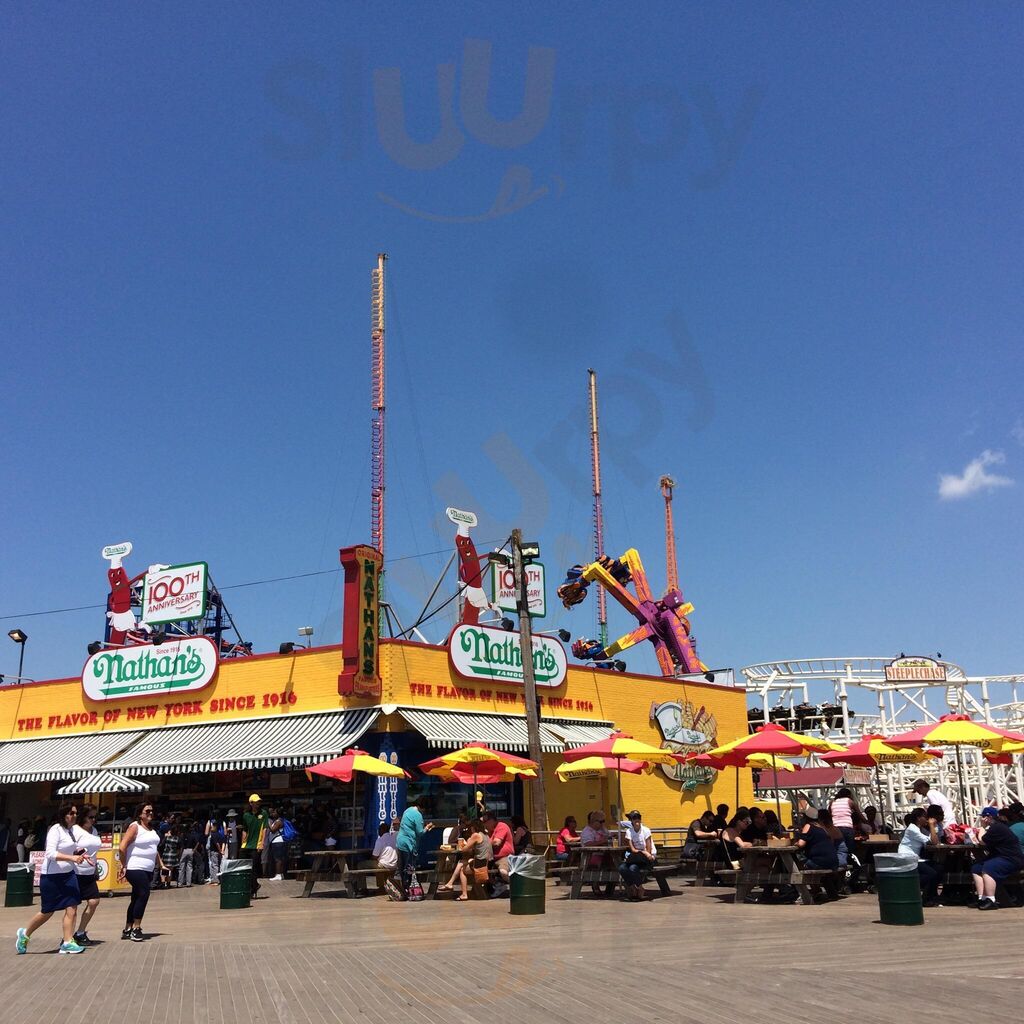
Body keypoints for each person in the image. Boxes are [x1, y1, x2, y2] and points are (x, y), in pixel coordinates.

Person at [15, 803, 87, 955]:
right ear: (63, 815)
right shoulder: (55, 829)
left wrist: (79, 853)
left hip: (69, 875)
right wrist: (72, 858)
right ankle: (25, 933)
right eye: (71, 813)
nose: (74, 816)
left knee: (72, 907)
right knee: (47, 911)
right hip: (52, 877)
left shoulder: (72, 831)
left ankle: (67, 942)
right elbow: (50, 854)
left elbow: (69, 848)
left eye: (75, 813)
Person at [118, 801, 168, 941]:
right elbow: (122, 847)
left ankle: (127, 928)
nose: (151, 813)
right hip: (135, 867)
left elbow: (154, 849)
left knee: (136, 897)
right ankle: (136, 928)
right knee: (144, 893)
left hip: (148, 868)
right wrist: (124, 865)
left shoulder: (151, 830)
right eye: (147, 811)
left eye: (152, 811)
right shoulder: (135, 827)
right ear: (140, 814)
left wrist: (161, 864)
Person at [972, 806, 1024, 910]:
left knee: (988, 868)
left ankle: (991, 900)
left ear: (988, 817)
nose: (981, 819)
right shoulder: (995, 827)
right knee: (977, 868)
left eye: (982, 817)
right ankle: (982, 898)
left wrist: (982, 827)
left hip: (1012, 859)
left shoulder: (997, 827)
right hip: (1002, 856)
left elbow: (983, 840)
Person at [72, 804, 103, 946]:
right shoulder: (75, 830)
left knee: (94, 901)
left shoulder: (94, 830)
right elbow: (69, 849)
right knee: (71, 907)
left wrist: (95, 867)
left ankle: (80, 932)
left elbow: (94, 852)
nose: (93, 819)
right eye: (91, 817)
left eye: (95, 816)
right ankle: (67, 936)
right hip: (75, 872)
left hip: (89, 872)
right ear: (82, 816)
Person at [896, 807, 942, 905]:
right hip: (908, 858)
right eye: (925, 817)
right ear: (918, 818)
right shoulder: (912, 829)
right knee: (931, 874)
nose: (926, 819)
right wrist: (931, 825)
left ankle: (931, 895)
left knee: (939, 869)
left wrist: (933, 827)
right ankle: (913, 887)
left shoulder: (919, 829)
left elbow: (934, 840)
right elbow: (933, 842)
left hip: (916, 858)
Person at [439, 819, 493, 901]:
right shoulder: (485, 835)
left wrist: (466, 842)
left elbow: (464, 849)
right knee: (461, 862)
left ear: (473, 827)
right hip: (486, 862)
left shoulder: (476, 835)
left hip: (480, 864)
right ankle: (450, 883)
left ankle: (463, 894)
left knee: (462, 870)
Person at [394, 795, 434, 900]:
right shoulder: (418, 815)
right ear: (423, 807)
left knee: (402, 868)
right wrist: (427, 827)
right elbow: (420, 833)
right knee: (409, 869)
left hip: (400, 842)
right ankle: (409, 892)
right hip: (409, 845)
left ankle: (402, 891)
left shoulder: (408, 810)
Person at [619, 809, 657, 900]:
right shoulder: (629, 831)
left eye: (638, 817)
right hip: (636, 857)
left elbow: (648, 850)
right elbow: (633, 849)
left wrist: (644, 852)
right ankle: (632, 887)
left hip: (647, 857)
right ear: (631, 820)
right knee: (622, 868)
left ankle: (640, 888)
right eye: (634, 818)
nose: (637, 820)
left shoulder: (646, 830)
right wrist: (642, 851)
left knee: (633, 868)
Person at [240, 794, 268, 898]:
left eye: (259, 802)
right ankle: (253, 886)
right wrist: (242, 842)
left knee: (254, 868)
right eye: (256, 802)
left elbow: (265, 829)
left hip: (256, 845)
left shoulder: (263, 813)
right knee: (244, 868)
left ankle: (252, 889)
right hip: (246, 845)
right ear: (251, 803)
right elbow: (244, 830)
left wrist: (262, 843)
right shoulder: (246, 815)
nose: (258, 803)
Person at [483, 811, 513, 897]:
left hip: (504, 857)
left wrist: (485, 844)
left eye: (485, 821)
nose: (484, 823)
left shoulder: (501, 826)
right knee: (478, 868)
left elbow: (496, 842)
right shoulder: (489, 831)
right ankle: (498, 886)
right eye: (483, 821)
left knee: (503, 872)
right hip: (491, 858)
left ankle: (517, 887)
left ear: (492, 820)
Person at [829, 787, 862, 854]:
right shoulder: (849, 801)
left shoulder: (832, 802)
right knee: (850, 848)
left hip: (835, 828)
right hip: (847, 827)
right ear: (849, 795)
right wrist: (866, 822)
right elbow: (859, 814)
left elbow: (829, 814)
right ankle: (850, 862)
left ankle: (840, 862)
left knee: (838, 848)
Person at [373, 821, 399, 893]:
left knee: (361, 865)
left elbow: (375, 856)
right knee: (381, 863)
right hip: (394, 864)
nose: (378, 832)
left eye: (379, 830)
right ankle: (386, 885)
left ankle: (364, 888)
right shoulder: (394, 838)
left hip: (384, 865)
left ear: (382, 830)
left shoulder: (380, 840)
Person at [266, 807, 288, 881]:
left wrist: (268, 822)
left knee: (278, 859)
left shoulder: (279, 821)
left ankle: (278, 874)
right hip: (275, 842)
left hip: (278, 842)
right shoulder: (276, 821)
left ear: (278, 814)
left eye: (274, 812)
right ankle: (281, 874)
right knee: (278, 858)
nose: (273, 813)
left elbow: (273, 830)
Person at [205, 811, 224, 885]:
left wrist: (220, 850)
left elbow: (206, 833)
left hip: (213, 848)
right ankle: (213, 879)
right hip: (216, 848)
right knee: (214, 864)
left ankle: (215, 879)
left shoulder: (210, 823)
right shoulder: (220, 823)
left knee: (213, 864)